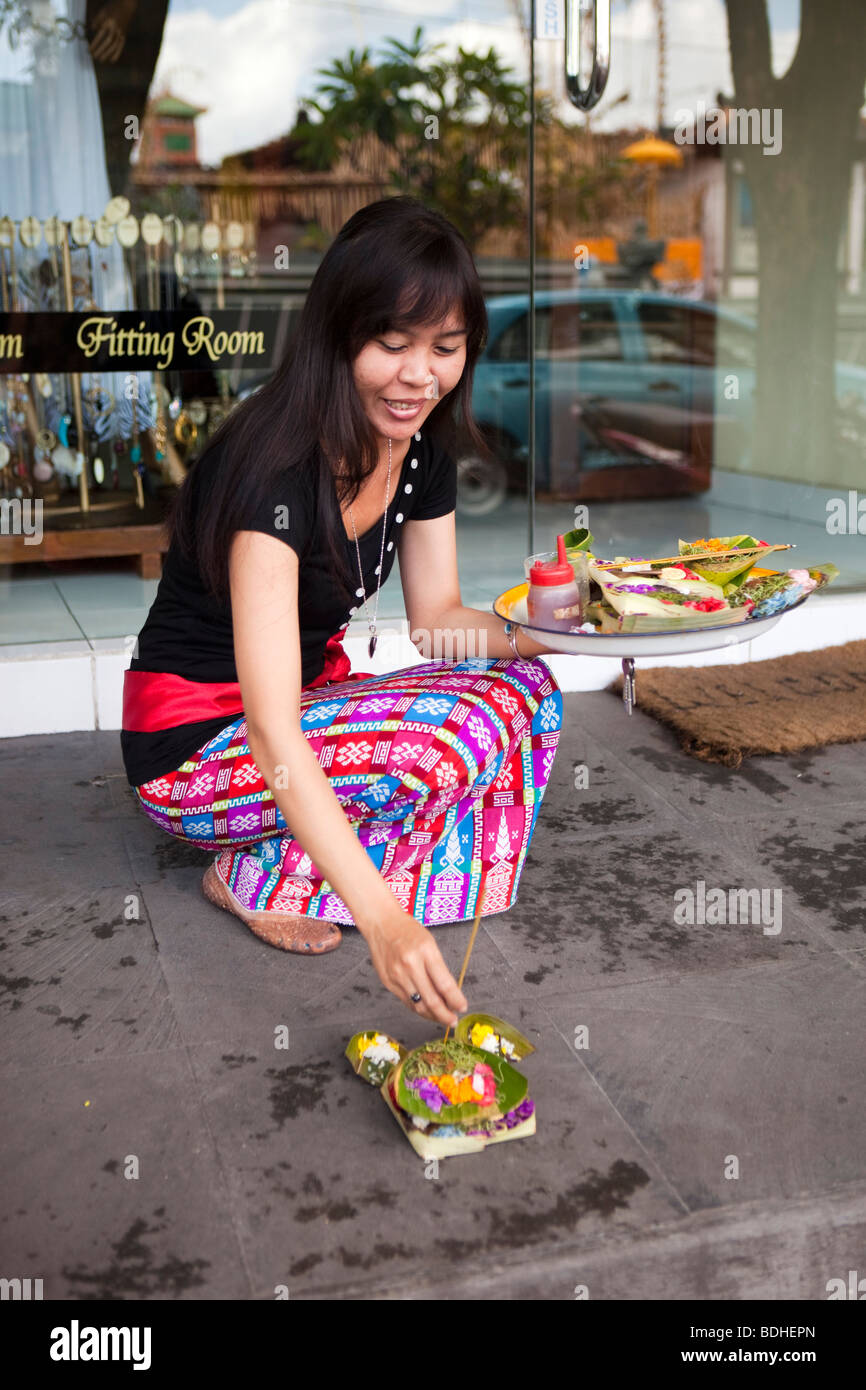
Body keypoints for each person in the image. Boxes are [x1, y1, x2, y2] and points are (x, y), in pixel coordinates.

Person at [121, 197, 564, 1028]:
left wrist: (569, 630)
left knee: (527, 692)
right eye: (392, 344)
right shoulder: (275, 469)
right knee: (446, 739)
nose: (420, 375)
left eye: (445, 348)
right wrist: (383, 923)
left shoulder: (420, 450)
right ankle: (254, 875)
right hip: (194, 748)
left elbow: (438, 621)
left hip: (304, 707)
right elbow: (270, 730)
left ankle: (311, 862)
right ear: (337, 335)